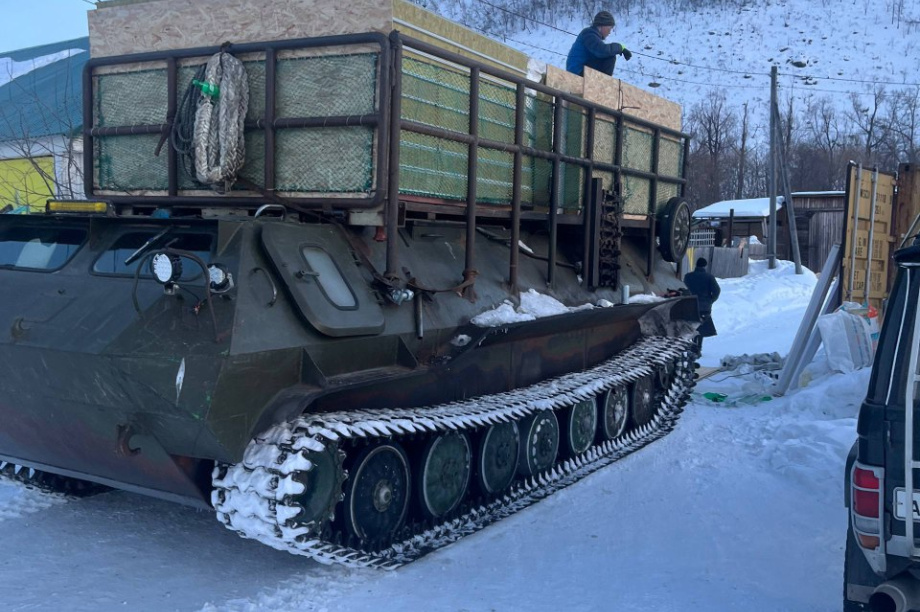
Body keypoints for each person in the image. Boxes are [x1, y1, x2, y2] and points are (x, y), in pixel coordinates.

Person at [565, 11, 632, 77]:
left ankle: (602, 83)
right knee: (609, 57)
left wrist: (622, 48)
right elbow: (603, 51)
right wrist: (620, 48)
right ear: (602, 25)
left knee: (607, 55)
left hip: (581, 69)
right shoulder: (589, 34)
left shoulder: (592, 36)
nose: (609, 32)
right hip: (577, 71)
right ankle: (604, 83)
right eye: (609, 28)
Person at [683, 257, 721, 349]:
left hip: (690, 306)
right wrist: (710, 300)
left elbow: (684, 289)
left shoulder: (688, 276)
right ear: (705, 265)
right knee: (701, 327)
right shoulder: (709, 277)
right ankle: (698, 347)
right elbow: (717, 290)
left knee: (690, 327)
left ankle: (691, 345)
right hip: (704, 307)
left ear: (696, 265)